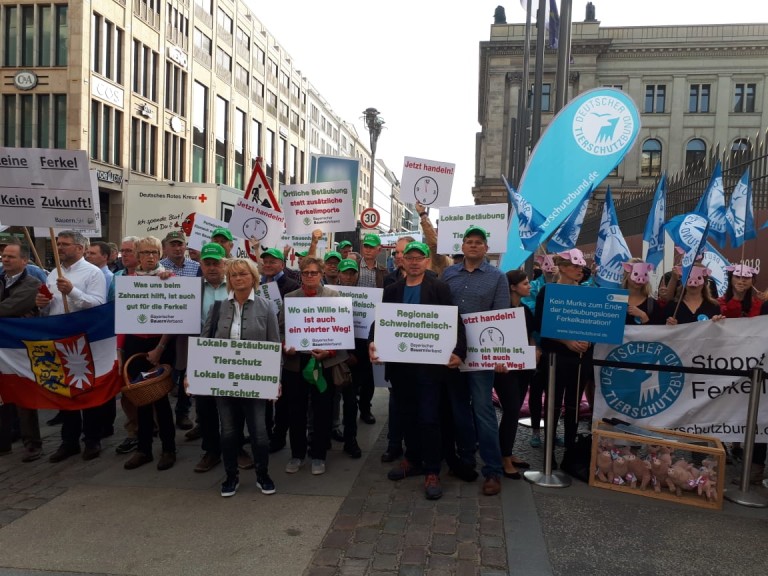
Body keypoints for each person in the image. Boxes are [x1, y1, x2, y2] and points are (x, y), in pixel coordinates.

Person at [369, 241, 466, 500]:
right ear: (402, 261)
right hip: (401, 369)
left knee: (429, 418)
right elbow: (381, 322)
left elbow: (453, 320)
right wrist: (372, 341)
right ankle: (412, 459)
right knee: (406, 416)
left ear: (426, 262)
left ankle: (432, 469)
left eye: (418, 257)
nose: (413, 262)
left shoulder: (439, 288)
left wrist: (459, 352)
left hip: (430, 369)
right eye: (409, 257)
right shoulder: (392, 290)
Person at [196, 258, 280, 497]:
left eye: (243, 274)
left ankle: (262, 474)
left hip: (256, 380)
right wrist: (196, 374)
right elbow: (206, 343)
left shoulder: (266, 307)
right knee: (229, 431)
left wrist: (276, 380)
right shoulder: (219, 307)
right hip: (224, 380)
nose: (238, 279)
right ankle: (231, 476)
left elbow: (274, 344)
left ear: (253, 277)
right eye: (233, 275)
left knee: (259, 432)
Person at [442, 226, 509, 496]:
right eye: (468, 241)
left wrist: (501, 355)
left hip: (482, 356)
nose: (472, 246)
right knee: (459, 410)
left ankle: (492, 469)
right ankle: (466, 459)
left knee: (483, 411)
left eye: (478, 242)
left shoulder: (497, 277)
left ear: (486, 247)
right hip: (454, 353)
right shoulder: (448, 274)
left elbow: (502, 316)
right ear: (462, 246)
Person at [35, 231, 107, 462]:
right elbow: (49, 310)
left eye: (64, 244)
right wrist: (42, 304)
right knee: (64, 392)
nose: (59, 248)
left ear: (79, 248)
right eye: (57, 244)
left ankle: (92, 440)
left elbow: (98, 305)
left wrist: (72, 292)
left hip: (83, 339)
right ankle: (69, 441)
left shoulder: (93, 273)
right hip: (59, 338)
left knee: (86, 390)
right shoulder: (54, 273)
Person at [280, 257, 349, 476]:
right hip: (296, 363)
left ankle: (318, 455)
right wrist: (285, 346)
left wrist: (329, 351)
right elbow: (281, 330)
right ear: (300, 275)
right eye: (305, 273)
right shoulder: (290, 298)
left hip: (324, 363)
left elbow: (341, 331)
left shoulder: (334, 297)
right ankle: (297, 454)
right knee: (296, 410)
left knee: (323, 409)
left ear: (321, 274)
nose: (310, 276)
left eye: (314, 272)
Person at [121, 237, 177, 471]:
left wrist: (159, 349)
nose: (150, 256)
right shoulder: (128, 281)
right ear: (137, 254)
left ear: (160, 253)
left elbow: (176, 317)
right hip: (135, 343)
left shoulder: (170, 278)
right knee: (140, 397)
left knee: (160, 398)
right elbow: (124, 316)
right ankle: (143, 449)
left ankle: (168, 448)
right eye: (145, 252)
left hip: (160, 343)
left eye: (154, 252)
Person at [534, 249, 593, 457]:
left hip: (580, 358)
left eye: (581, 267)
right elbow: (540, 323)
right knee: (554, 403)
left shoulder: (587, 292)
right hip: (556, 357)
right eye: (575, 266)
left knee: (574, 405)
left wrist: (588, 339)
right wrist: (566, 341)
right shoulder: (547, 291)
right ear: (564, 268)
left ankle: (570, 449)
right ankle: (549, 449)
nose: (580, 270)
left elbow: (596, 322)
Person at [0, 241, 43, 462]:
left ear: (24, 261)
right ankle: (3, 442)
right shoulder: (1, 279)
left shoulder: (31, 284)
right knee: (2, 394)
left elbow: (8, 308)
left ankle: (32, 443)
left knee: (24, 396)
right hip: (2, 347)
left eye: (11, 257)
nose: (5, 259)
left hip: (19, 347)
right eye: (4, 256)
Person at [493, 270, 539, 479]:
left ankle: (508, 452)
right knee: (511, 410)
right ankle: (503, 457)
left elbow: (529, 336)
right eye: (525, 283)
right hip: (505, 370)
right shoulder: (501, 310)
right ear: (512, 287)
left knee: (515, 410)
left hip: (523, 369)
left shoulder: (525, 309)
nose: (529, 286)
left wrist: (534, 351)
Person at [190, 242, 230, 473]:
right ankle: (211, 450)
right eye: (208, 263)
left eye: (217, 263)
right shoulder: (190, 287)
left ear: (225, 264)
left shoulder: (236, 285)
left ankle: (235, 447)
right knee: (205, 406)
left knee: (232, 404)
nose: (213, 267)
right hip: (201, 352)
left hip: (231, 353)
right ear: (201, 265)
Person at [259, 247, 300, 454]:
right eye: (265, 261)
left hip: (283, 346)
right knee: (263, 390)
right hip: (261, 344)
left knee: (281, 395)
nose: (268, 264)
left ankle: (279, 435)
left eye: (273, 261)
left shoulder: (291, 286)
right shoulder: (257, 284)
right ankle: (264, 431)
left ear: (282, 264)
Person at [159, 231, 198, 430]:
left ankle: (183, 412)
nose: (177, 248)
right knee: (163, 372)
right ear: (165, 248)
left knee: (185, 371)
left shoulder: (196, 267)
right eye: (173, 244)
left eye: (180, 244)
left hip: (187, 329)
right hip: (162, 329)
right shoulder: (157, 268)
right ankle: (159, 416)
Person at [113, 237, 142, 455]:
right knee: (127, 388)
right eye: (122, 251)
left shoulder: (152, 276)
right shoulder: (116, 277)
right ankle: (133, 429)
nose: (125, 255)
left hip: (146, 340)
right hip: (121, 340)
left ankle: (151, 427)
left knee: (147, 387)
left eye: (130, 250)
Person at [622, 259, 661, 325]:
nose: (640, 279)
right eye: (636, 274)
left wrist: (644, 317)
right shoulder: (616, 302)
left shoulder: (652, 305)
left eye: (644, 274)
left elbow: (656, 332)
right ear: (627, 274)